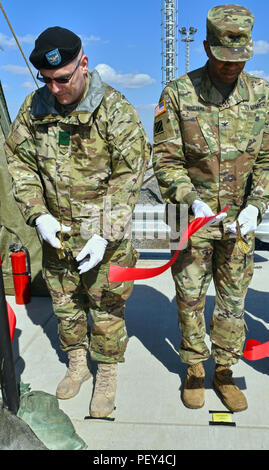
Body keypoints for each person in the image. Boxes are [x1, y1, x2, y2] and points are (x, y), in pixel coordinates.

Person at [5, 26, 151, 418]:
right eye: (47, 80)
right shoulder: (34, 108)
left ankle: (106, 373)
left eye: (63, 78)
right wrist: (38, 214)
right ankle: (77, 364)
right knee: (66, 307)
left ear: (83, 64)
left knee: (106, 311)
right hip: (58, 239)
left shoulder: (115, 111)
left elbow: (131, 172)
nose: (55, 89)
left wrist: (104, 233)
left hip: (105, 241)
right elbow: (20, 163)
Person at [153, 4, 269, 412]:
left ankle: (224, 371)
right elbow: (165, 161)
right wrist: (191, 198)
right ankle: (194, 370)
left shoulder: (263, 94)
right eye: (223, 59)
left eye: (239, 61)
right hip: (187, 215)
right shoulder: (177, 93)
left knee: (233, 300)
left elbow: (268, 160)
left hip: (240, 219)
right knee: (188, 296)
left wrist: (257, 205)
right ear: (205, 46)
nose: (230, 68)